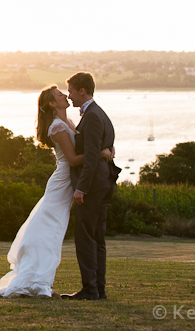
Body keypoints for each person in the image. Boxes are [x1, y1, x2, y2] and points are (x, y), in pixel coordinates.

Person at [0, 84, 112, 298]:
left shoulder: (67, 122)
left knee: (52, 230)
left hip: (69, 181)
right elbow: (73, 159)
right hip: (62, 182)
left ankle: (42, 278)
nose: (65, 96)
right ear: (52, 103)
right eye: (61, 95)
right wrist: (100, 153)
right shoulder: (58, 128)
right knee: (48, 230)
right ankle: (36, 279)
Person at [61, 71, 120, 301]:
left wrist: (81, 188)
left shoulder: (93, 116)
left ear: (82, 90)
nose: (70, 96)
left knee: (86, 238)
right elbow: (106, 148)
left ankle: (90, 289)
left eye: (71, 91)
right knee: (97, 238)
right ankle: (98, 289)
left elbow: (93, 153)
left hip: (94, 186)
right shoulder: (99, 113)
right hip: (103, 183)